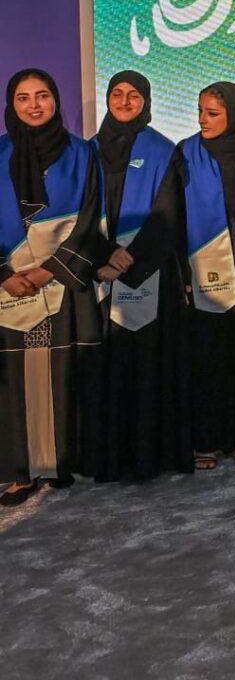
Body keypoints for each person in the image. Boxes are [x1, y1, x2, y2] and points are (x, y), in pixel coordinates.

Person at [0, 69, 101, 506]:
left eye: (43, 96)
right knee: (14, 382)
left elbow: (91, 219)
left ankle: (58, 463)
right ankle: (21, 471)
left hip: (61, 287)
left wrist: (48, 271)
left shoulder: (82, 154)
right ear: (12, 105)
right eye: (23, 98)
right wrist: (5, 274)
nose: (34, 105)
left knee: (62, 375)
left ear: (56, 100)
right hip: (7, 287)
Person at [92, 71, 192, 482]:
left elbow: (168, 214)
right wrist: (102, 255)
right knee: (105, 367)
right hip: (98, 273)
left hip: (149, 271)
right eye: (117, 94)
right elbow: (79, 213)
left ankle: (152, 455)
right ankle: (109, 457)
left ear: (146, 101)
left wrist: (127, 259)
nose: (124, 101)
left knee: (150, 364)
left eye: (134, 95)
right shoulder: (86, 152)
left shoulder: (162, 150)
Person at [180, 81, 235, 471]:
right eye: (200, 111)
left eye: (212, 113)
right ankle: (208, 439)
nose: (203, 120)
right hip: (205, 262)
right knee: (208, 354)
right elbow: (174, 217)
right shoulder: (186, 153)